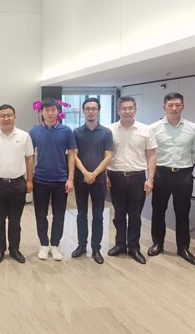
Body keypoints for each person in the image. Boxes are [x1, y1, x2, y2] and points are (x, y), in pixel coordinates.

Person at [148, 93, 195, 266]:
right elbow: (150, 153)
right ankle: (158, 243)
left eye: (178, 105)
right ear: (164, 107)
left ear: (182, 107)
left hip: (183, 174)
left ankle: (183, 247)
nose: (174, 108)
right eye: (170, 105)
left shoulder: (194, 129)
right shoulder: (153, 128)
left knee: (183, 212)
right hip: (161, 173)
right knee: (158, 211)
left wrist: (184, 166)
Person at [106, 96, 157, 264]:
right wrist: (105, 175)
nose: (127, 111)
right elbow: (105, 155)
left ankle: (134, 247)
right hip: (116, 177)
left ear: (135, 109)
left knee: (135, 215)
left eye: (130, 108)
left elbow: (151, 156)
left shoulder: (146, 130)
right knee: (119, 214)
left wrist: (150, 179)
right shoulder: (109, 130)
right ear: (118, 110)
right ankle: (120, 245)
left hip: (137, 178)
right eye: (124, 108)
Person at [0, 104, 34, 264]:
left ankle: (14, 249)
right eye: (2, 116)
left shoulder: (24, 136)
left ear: (14, 117)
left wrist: (29, 180)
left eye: (9, 115)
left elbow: (29, 159)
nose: (6, 118)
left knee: (15, 220)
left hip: (18, 183)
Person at [29, 97, 76, 261]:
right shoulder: (34, 131)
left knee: (59, 215)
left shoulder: (66, 131)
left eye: (53, 110)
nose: (50, 113)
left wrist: (70, 178)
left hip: (60, 180)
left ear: (58, 111)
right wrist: (29, 178)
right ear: (41, 112)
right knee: (40, 214)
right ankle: (44, 244)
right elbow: (29, 156)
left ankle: (55, 245)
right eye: (47, 110)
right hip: (40, 179)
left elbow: (72, 155)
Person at [71, 98, 114, 264]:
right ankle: (82, 245)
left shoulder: (106, 133)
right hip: (81, 180)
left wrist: (94, 174)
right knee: (81, 214)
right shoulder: (76, 132)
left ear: (98, 111)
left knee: (98, 215)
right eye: (87, 108)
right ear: (83, 111)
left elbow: (108, 156)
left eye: (94, 108)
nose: (90, 111)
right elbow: (74, 155)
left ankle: (96, 248)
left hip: (99, 180)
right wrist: (85, 173)